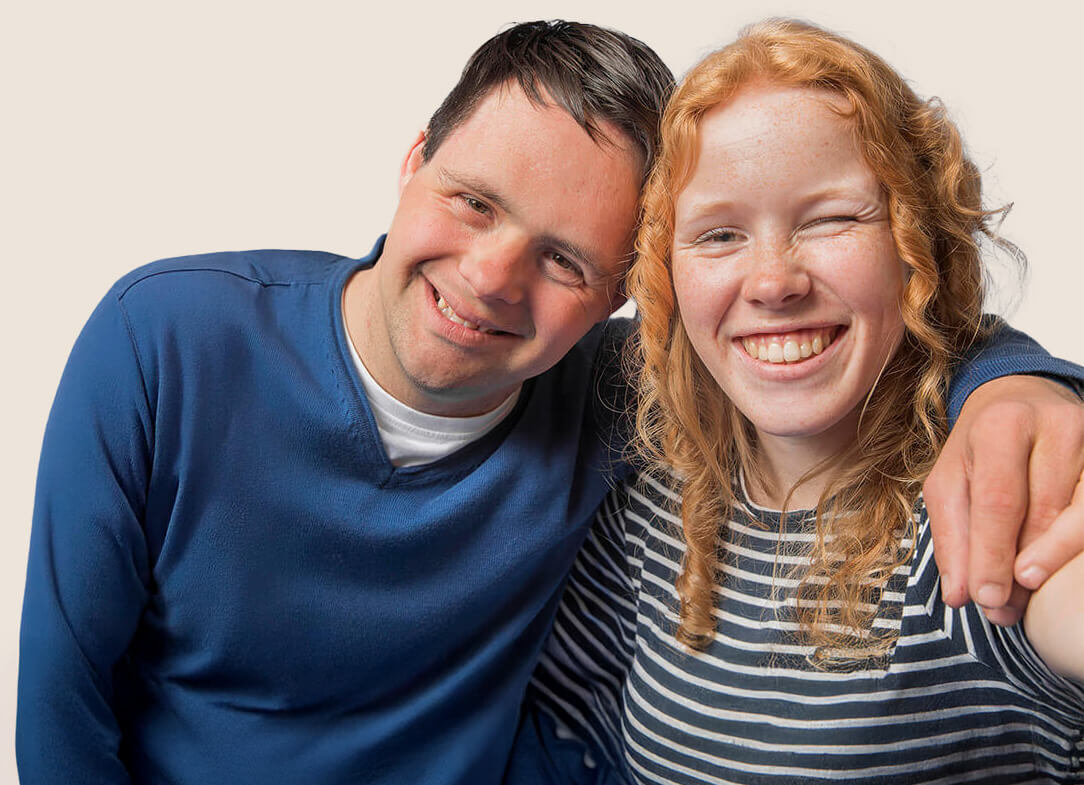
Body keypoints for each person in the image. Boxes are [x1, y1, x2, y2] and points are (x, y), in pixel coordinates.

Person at [15, 19, 1083, 785]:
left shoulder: (622, 397)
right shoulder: (168, 337)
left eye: (566, 259)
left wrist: (1017, 386)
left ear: (627, 292)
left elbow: (848, 340)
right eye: (472, 200)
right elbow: (61, 711)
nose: (489, 276)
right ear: (412, 161)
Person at [515, 19, 1084, 785]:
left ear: (919, 244)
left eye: (830, 219)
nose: (774, 281)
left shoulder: (975, 507)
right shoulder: (656, 509)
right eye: (718, 236)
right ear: (663, 276)